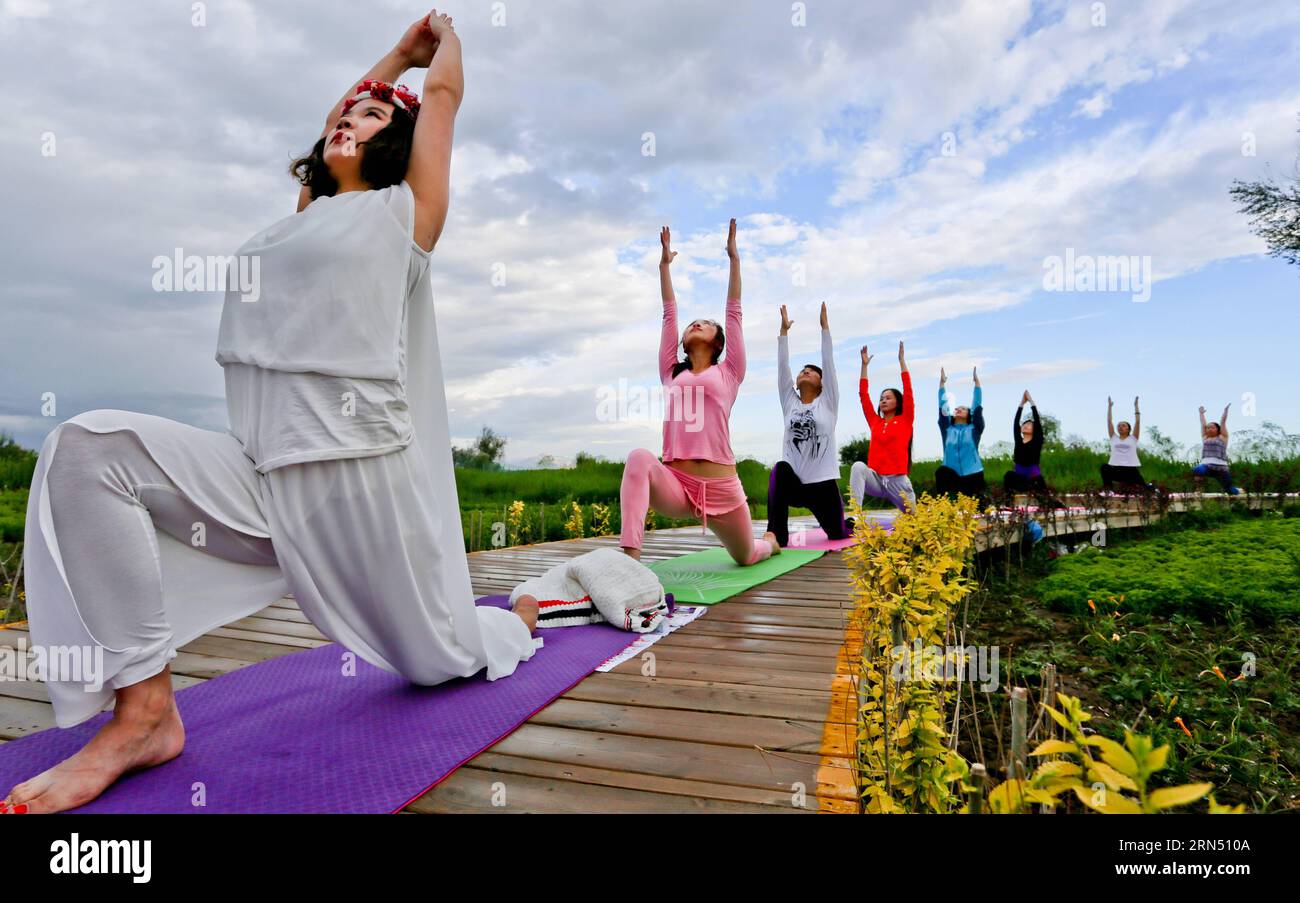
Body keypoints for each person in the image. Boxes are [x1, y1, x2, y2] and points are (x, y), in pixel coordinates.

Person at [5, 11, 542, 816]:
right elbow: (340, 120)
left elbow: (443, 95)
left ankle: (526, 611)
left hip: (360, 498)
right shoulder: (301, 218)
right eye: (344, 115)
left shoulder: (404, 215)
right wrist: (380, 70)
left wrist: (432, 42)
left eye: (370, 116)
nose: (349, 120)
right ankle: (146, 712)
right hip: (260, 478)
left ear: (397, 140)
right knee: (86, 449)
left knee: (451, 654)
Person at [619, 220, 779, 565]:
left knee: (747, 556)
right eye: (693, 323)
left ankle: (771, 543)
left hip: (721, 490)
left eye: (704, 324)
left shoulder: (730, 372)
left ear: (718, 342)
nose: (696, 324)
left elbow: (734, 312)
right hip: (676, 484)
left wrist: (734, 259)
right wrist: (664, 267)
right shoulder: (670, 373)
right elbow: (668, 316)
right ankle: (629, 560)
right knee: (638, 459)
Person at [766, 302, 849, 547]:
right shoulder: (789, 402)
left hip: (823, 485)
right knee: (779, 470)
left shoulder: (829, 403)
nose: (805, 372)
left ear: (822, 384)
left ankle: (848, 523)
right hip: (795, 484)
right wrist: (783, 333)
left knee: (837, 533)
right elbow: (783, 370)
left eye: (811, 372)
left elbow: (829, 363)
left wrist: (825, 327)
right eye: (803, 370)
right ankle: (776, 537)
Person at [849, 341, 916, 514]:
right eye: (882, 398)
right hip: (877, 481)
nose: (883, 400)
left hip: (898, 483)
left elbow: (908, 390)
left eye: (888, 397)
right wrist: (864, 366)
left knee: (915, 523)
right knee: (858, 467)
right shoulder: (875, 422)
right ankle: (855, 515)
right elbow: (863, 396)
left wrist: (901, 360)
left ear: (897, 402)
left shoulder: (905, 420)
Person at [934, 367, 986, 499]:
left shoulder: (975, 429)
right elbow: (942, 406)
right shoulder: (946, 428)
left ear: (970, 414)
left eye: (963, 408)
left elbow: (977, 407)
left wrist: (977, 384)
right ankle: (942, 504)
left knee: (977, 510)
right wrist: (942, 385)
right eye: (956, 408)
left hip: (973, 474)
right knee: (941, 472)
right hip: (951, 474)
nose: (958, 409)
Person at [1100, 396, 1153, 492]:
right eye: (1119, 426)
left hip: (1130, 471)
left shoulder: (1133, 438)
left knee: (1145, 489)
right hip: (1117, 469)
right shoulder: (1114, 438)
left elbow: (1137, 421)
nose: (1120, 427)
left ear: (1128, 429)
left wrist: (1136, 406)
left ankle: (1151, 488)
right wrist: (1110, 407)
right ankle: (1108, 490)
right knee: (1104, 468)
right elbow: (1109, 421)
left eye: (1123, 425)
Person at [1004, 390, 1047, 495]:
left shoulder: (1037, 440)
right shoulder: (1019, 440)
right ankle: (1008, 504)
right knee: (1008, 475)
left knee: (1046, 501)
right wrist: (1021, 404)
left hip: (1034, 479)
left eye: (1029, 425)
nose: (1025, 426)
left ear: (1034, 430)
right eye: (1024, 424)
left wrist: (1031, 402)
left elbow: (1037, 420)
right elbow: (1016, 423)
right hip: (1021, 480)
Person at [1192, 403, 1240, 494]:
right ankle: (1198, 490)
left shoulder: (1223, 437)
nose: (1209, 429)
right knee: (1198, 469)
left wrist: (1225, 412)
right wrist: (1201, 414)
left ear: (1217, 429)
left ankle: (1238, 490)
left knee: (1230, 491)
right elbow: (1202, 424)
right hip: (1207, 466)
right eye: (1208, 428)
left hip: (1221, 468)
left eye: (1212, 427)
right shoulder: (1205, 437)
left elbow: (1222, 422)